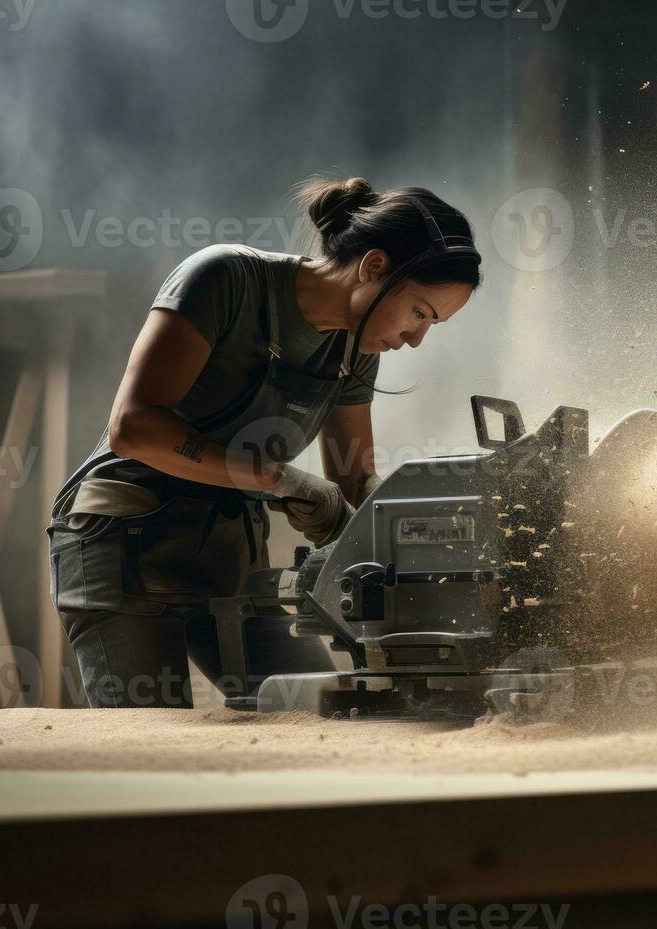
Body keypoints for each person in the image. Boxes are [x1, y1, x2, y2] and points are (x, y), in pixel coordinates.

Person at [47, 177, 482, 707]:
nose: (417, 338)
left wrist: (426, 532)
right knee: (151, 745)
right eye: (420, 312)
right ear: (374, 267)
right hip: (122, 544)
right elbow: (134, 428)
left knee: (321, 712)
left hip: (229, 561)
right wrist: (280, 480)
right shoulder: (226, 278)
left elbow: (352, 479)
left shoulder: (356, 347)